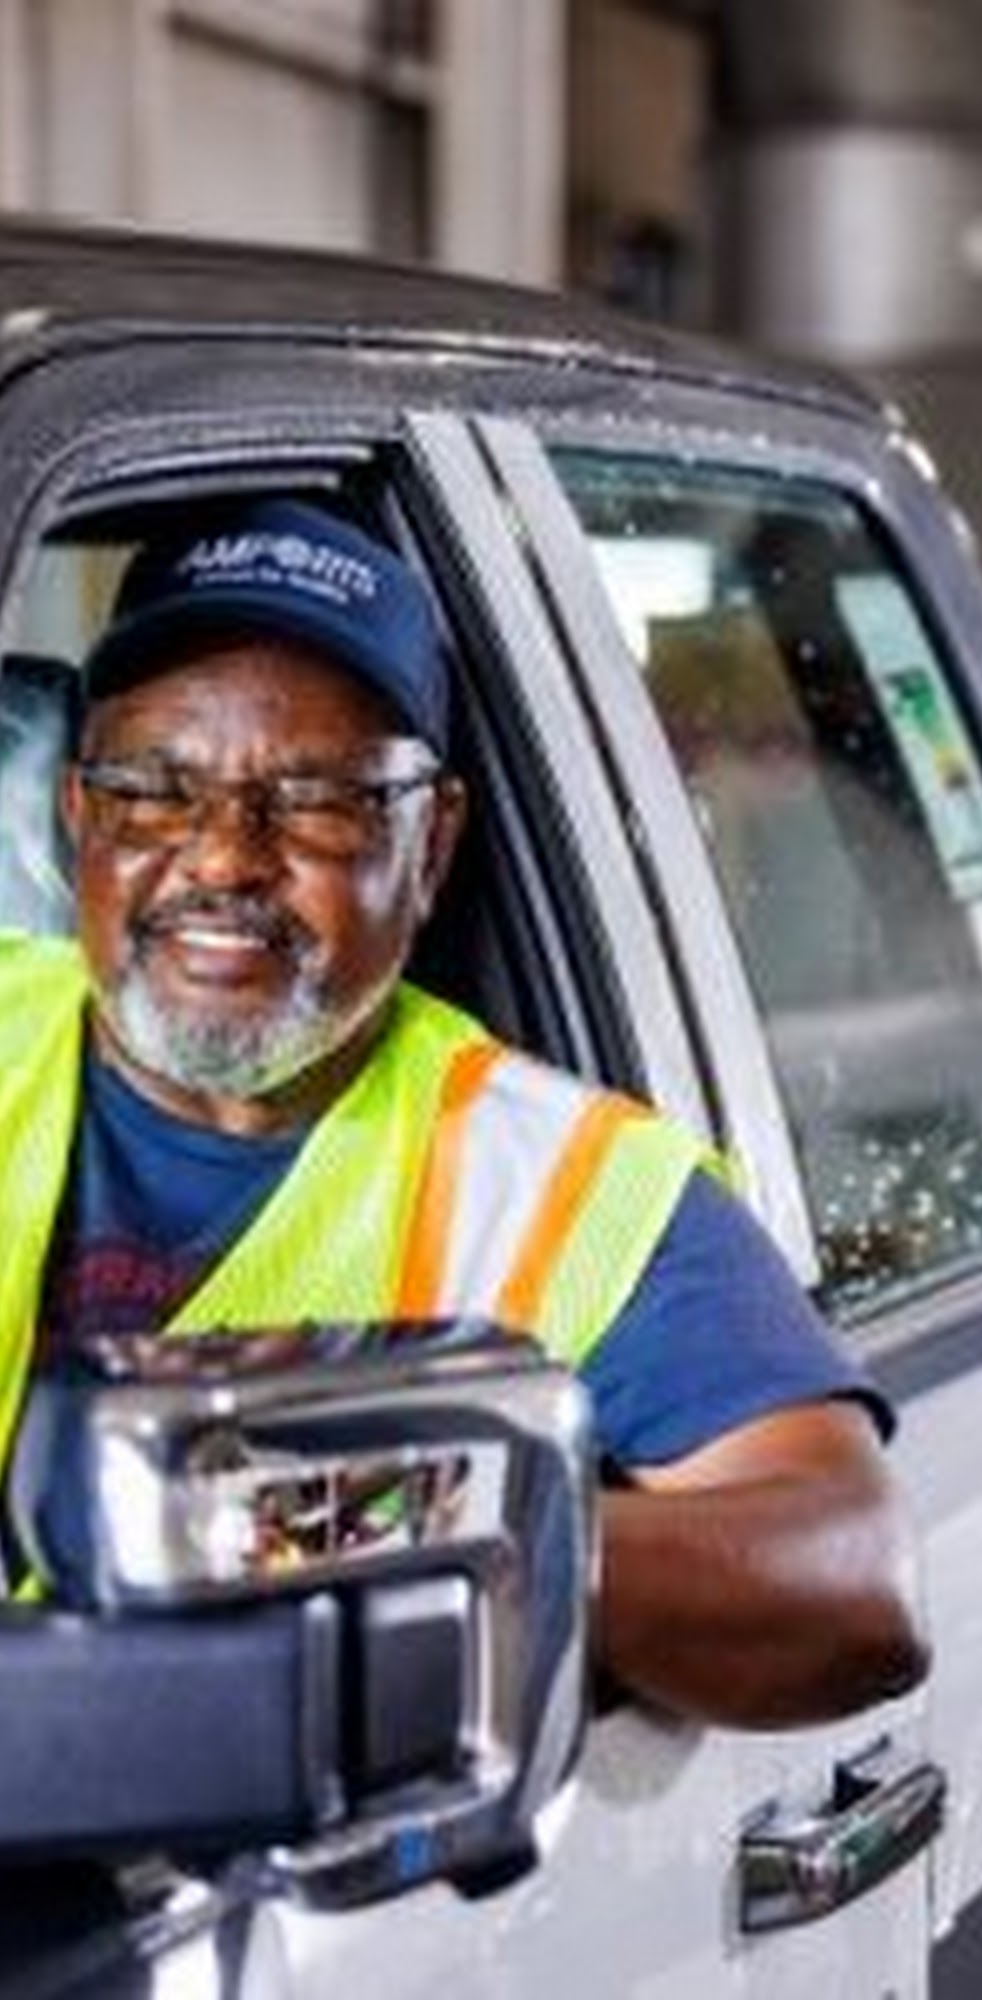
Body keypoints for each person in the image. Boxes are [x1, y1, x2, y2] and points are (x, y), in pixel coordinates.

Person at [0, 496, 928, 1727]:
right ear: (80, 815)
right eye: (154, 790)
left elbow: (855, 1584)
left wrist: (330, 1521)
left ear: (429, 842)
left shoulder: (554, 1180)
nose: (222, 856)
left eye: (317, 798)